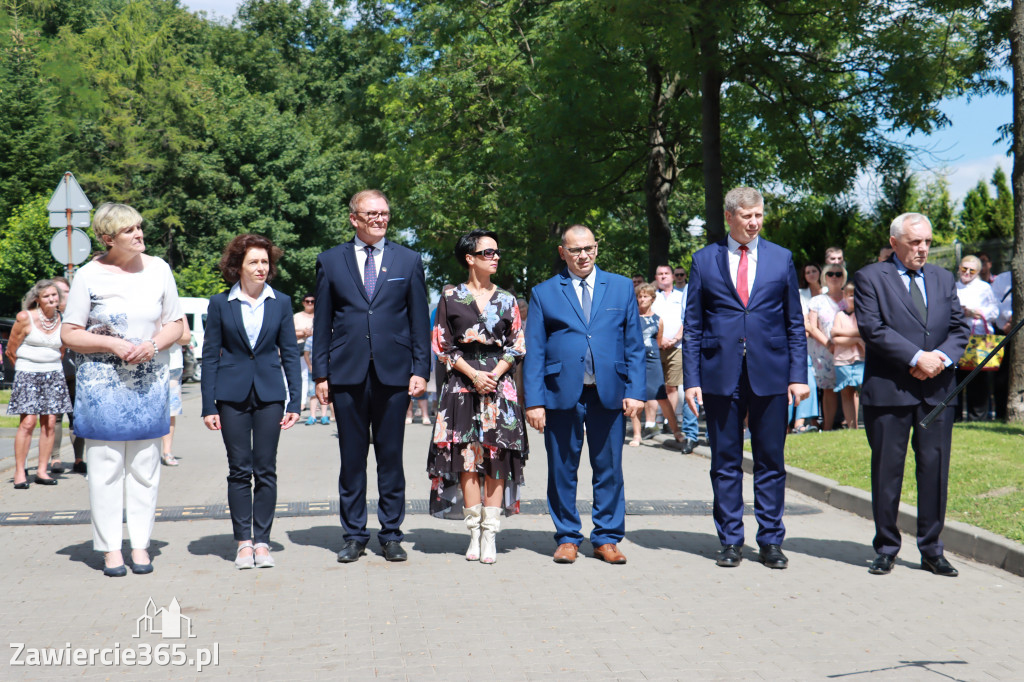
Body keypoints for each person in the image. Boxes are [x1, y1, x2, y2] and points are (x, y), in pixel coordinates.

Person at [683, 187, 808, 570]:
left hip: (770, 374)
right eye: (747, 216)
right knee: (725, 461)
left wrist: (798, 375)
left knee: (770, 460)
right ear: (729, 217)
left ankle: (770, 540)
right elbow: (692, 325)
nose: (754, 223)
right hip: (720, 375)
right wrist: (691, 380)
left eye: (759, 216)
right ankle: (731, 541)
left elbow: (793, 322)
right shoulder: (704, 260)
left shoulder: (781, 258)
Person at [61, 202, 184, 577]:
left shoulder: (160, 269)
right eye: (129, 230)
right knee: (106, 469)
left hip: (148, 382)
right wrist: (111, 345)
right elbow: (69, 332)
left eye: (140, 227)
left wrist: (154, 344)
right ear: (107, 238)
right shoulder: (88, 275)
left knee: (146, 468)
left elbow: (176, 323)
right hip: (102, 387)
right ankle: (111, 549)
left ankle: (141, 545)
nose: (139, 234)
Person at [312, 189, 431, 564]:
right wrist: (321, 374)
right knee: (351, 459)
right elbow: (322, 323)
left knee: (391, 457)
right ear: (354, 218)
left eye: (384, 213)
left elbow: (417, 320)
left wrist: (421, 369)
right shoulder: (330, 261)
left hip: (394, 374)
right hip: (346, 373)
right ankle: (353, 535)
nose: (380, 219)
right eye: (372, 214)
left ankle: (392, 534)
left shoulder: (409, 260)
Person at [855, 212, 969, 577]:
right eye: (915, 242)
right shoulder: (871, 277)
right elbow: (873, 329)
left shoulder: (942, 277)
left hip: (937, 392)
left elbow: (958, 327)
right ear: (894, 243)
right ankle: (887, 547)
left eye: (927, 242)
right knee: (888, 472)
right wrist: (917, 357)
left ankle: (932, 549)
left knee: (934, 471)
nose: (922, 249)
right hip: (890, 391)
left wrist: (941, 359)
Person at [524, 224, 645, 565]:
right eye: (575, 250)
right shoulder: (544, 292)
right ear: (562, 252)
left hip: (610, 392)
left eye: (589, 248)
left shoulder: (621, 287)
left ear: (597, 248)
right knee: (563, 468)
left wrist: (636, 390)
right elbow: (534, 351)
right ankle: (567, 537)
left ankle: (606, 537)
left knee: (609, 468)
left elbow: (634, 343)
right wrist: (533, 401)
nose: (583, 255)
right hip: (561, 393)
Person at [201, 234, 302, 569]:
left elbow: (290, 353)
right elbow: (210, 357)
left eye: (265, 262)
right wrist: (208, 405)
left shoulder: (281, 302)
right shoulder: (219, 304)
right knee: (239, 470)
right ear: (237, 267)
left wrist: (295, 403)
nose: (261, 268)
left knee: (266, 469)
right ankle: (243, 542)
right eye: (253, 262)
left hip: (271, 395)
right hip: (230, 396)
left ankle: (262, 541)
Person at [427, 229, 527, 564]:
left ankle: (490, 536)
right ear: (469, 258)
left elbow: (516, 345)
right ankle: (473, 534)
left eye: (497, 252)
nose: (495, 257)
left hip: (499, 388)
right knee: (467, 461)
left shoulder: (508, 300)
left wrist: (494, 375)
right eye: (488, 252)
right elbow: (442, 345)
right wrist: (473, 375)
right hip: (460, 386)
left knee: (496, 460)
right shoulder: (450, 297)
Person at [5, 280, 73, 489]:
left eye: (55, 295)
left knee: (50, 422)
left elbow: (62, 351)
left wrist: (50, 368)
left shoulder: (63, 319)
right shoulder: (25, 317)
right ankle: (19, 472)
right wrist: (25, 373)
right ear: (37, 299)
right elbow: (10, 350)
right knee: (28, 422)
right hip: (28, 373)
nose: (52, 299)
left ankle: (42, 471)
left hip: (52, 373)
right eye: (47, 296)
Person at [630, 283, 678, 447]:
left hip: (653, 360)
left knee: (662, 397)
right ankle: (637, 435)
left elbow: (657, 342)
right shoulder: (631, 318)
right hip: (635, 361)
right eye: (639, 296)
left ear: (652, 298)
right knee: (636, 397)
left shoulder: (658, 320)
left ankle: (677, 432)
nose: (642, 299)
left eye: (645, 296)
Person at [954, 255, 999, 421]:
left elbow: (994, 311)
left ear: (978, 271)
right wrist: (963, 312)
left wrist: (977, 313)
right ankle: (956, 415)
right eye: (963, 268)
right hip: (957, 336)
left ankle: (977, 415)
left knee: (978, 379)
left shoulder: (984, 288)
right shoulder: (954, 287)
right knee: (956, 377)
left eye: (971, 270)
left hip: (978, 338)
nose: (967, 273)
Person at [650, 265, 689, 447]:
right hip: (655, 345)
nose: (663, 276)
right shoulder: (652, 296)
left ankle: (669, 421)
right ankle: (653, 423)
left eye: (666, 273)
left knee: (672, 386)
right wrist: (661, 338)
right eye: (660, 274)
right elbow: (648, 317)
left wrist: (675, 338)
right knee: (655, 386)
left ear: (673, 276)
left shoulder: (682, 296)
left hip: (677, 346)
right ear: (656, 277)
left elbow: (687, 318)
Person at [51, 276, 86, 475]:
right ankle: (55, 458)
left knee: (77, 417)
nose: (62, 296)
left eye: (65, 292)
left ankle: (79, 459)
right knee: (54, 418)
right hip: (55, 373)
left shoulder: (77, 314)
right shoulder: (49, 318)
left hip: (76, 372)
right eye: (59, 292)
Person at [807, 264, 848, 430]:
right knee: (828, 390)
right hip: (824, 351)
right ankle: (828, 428)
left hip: (848, 350)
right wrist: (829, 344)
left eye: (838, 274)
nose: (834, 277)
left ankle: (852, 426)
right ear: (824, 276)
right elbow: (811, 326)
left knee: (849, 388)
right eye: (830, 274)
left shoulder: (849, 297)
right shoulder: (817, 300)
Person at [830, 283, 865, 429]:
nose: (853, 298)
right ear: (844, 297)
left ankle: (866, 422)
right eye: (850, 295)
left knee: (863, 391)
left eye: (855, 295)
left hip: (861, 359)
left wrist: (845, 334)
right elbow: (834, 336)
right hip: (842, 359)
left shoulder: (863, 314)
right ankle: (852, 426)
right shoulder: (839, 315)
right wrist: (857, 339)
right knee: (846, 393)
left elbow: (865, 331)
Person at [160, 317, 191, 466]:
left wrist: (169, 333)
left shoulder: (176, 310)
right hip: (146, 364)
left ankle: (167, 451)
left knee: (170, 411)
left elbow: (186, 338)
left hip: (172, 365)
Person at [293, 293, 315, 412]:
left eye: (312, 301)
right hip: (301, 349)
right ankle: (302, 402)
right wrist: (304, 333)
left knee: (316, 377)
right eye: (307, 301)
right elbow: (290, 333)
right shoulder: (297, 316)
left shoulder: (320, 315)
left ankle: (315, 400)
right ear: (303, 303)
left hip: (317, 350)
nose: (310, 303)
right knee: (303, 376)